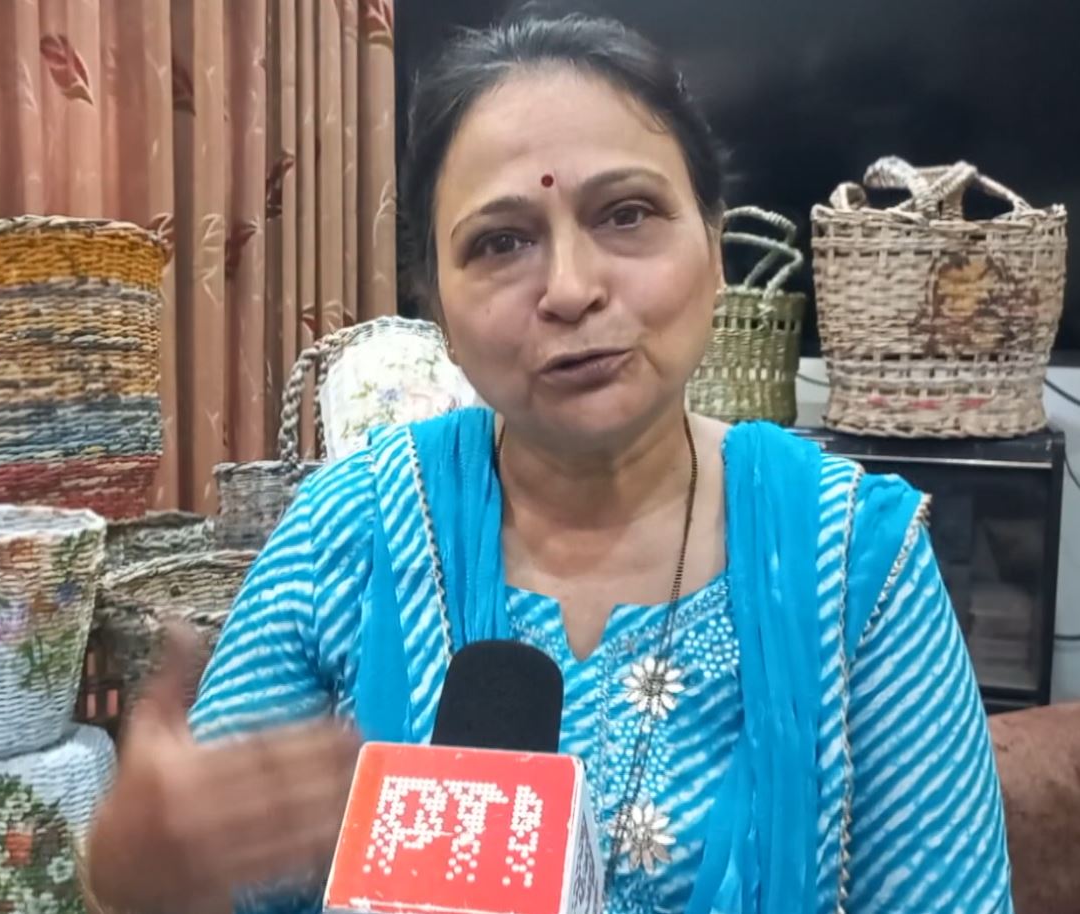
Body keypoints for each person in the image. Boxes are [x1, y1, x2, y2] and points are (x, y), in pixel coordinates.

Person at [81, 8, 1014, 914]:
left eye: (628, 213)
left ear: (715, 246)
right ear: (436, 308)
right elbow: (196, 870)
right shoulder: (348, 528)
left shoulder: (854, 560)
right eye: (500, 241)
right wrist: (136, 878)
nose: (570, 289)